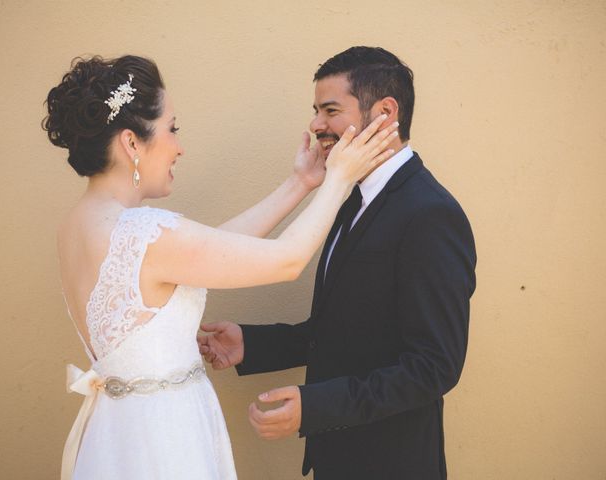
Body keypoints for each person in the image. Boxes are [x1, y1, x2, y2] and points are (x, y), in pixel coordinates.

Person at [44, 54, 397, 480]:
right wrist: (340, 178)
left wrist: (300, 184)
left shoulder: (77, 225)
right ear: (132, 143)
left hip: (114, 432)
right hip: (165, 438)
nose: (179, 146)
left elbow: (212, 250)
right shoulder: (144, 231)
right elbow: (286, 260)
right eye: (171, 129)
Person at [198, 46, 477, 479]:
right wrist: (250, 345)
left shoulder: (429, 214)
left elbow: (433, 366)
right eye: (315, 111)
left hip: (392, 463)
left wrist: (316, 407)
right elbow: (341, 330)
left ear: (386, 111)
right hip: (338, 460)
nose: (315, 125)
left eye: (330, 110)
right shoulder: (353, 200)